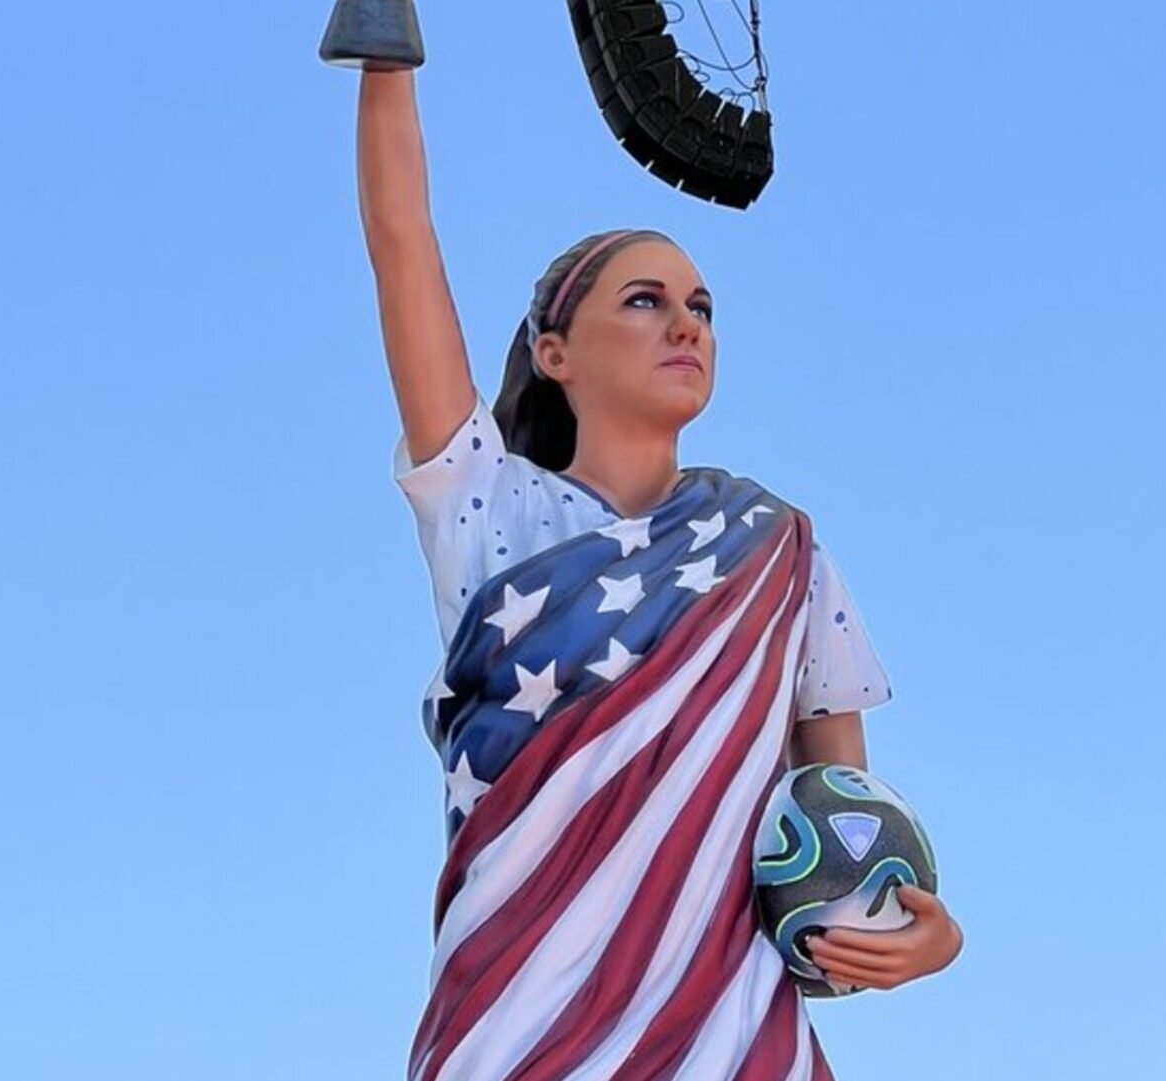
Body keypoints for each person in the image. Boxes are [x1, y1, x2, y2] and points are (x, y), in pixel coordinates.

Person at [356, 68, 962, 1081]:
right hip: (515, 1033)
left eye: (702, 306)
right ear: (555, 350)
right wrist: (385, 51)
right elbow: (402, 239)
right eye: (646, 301)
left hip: (726, 1043)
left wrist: (919, 936)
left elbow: (833, 818)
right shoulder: (488, 508)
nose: (687, 324)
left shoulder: (782, 550)